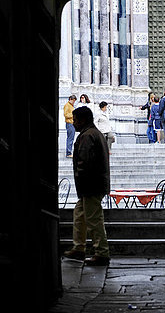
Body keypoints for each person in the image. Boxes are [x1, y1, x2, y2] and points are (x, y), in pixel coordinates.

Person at [64, 106, 110, 266]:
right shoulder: (93, 134)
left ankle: (101, 252)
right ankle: (79, 248)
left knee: (93, 218)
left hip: (91, 185)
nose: (73, 123)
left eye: (75, 120)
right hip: (92, 184)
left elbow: (84, 162)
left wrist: (82, 181)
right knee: (80, 215)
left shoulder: (87, 136)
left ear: (83, 120)